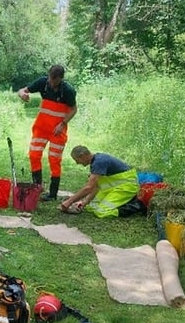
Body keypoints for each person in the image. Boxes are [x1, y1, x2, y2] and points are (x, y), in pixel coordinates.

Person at [17, 65, 77, 201]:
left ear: (61, 79)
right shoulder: (43, 82)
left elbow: (73, 109)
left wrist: (63, 124)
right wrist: (22, 94)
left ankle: (52, 193)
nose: (50, 82)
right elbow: (22, 90)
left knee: (54, 160)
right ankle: (37, 187)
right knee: (34, 155)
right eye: (50, 78)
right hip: (41, 129)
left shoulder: (68, 91)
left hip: (57, 131)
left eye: (54, 80)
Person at [59, 145, 144, 218]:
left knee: (101, 212)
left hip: (127, 187)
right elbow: (96, 186)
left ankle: (136, 206)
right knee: (92, 207)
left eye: (77, 160)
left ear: (82, 156)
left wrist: (69, 201)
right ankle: (122, 200)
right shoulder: (95, 161)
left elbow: (88, 188)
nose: (77, 163)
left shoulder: (99, 162)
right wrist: (84, 202)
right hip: (116, 186)